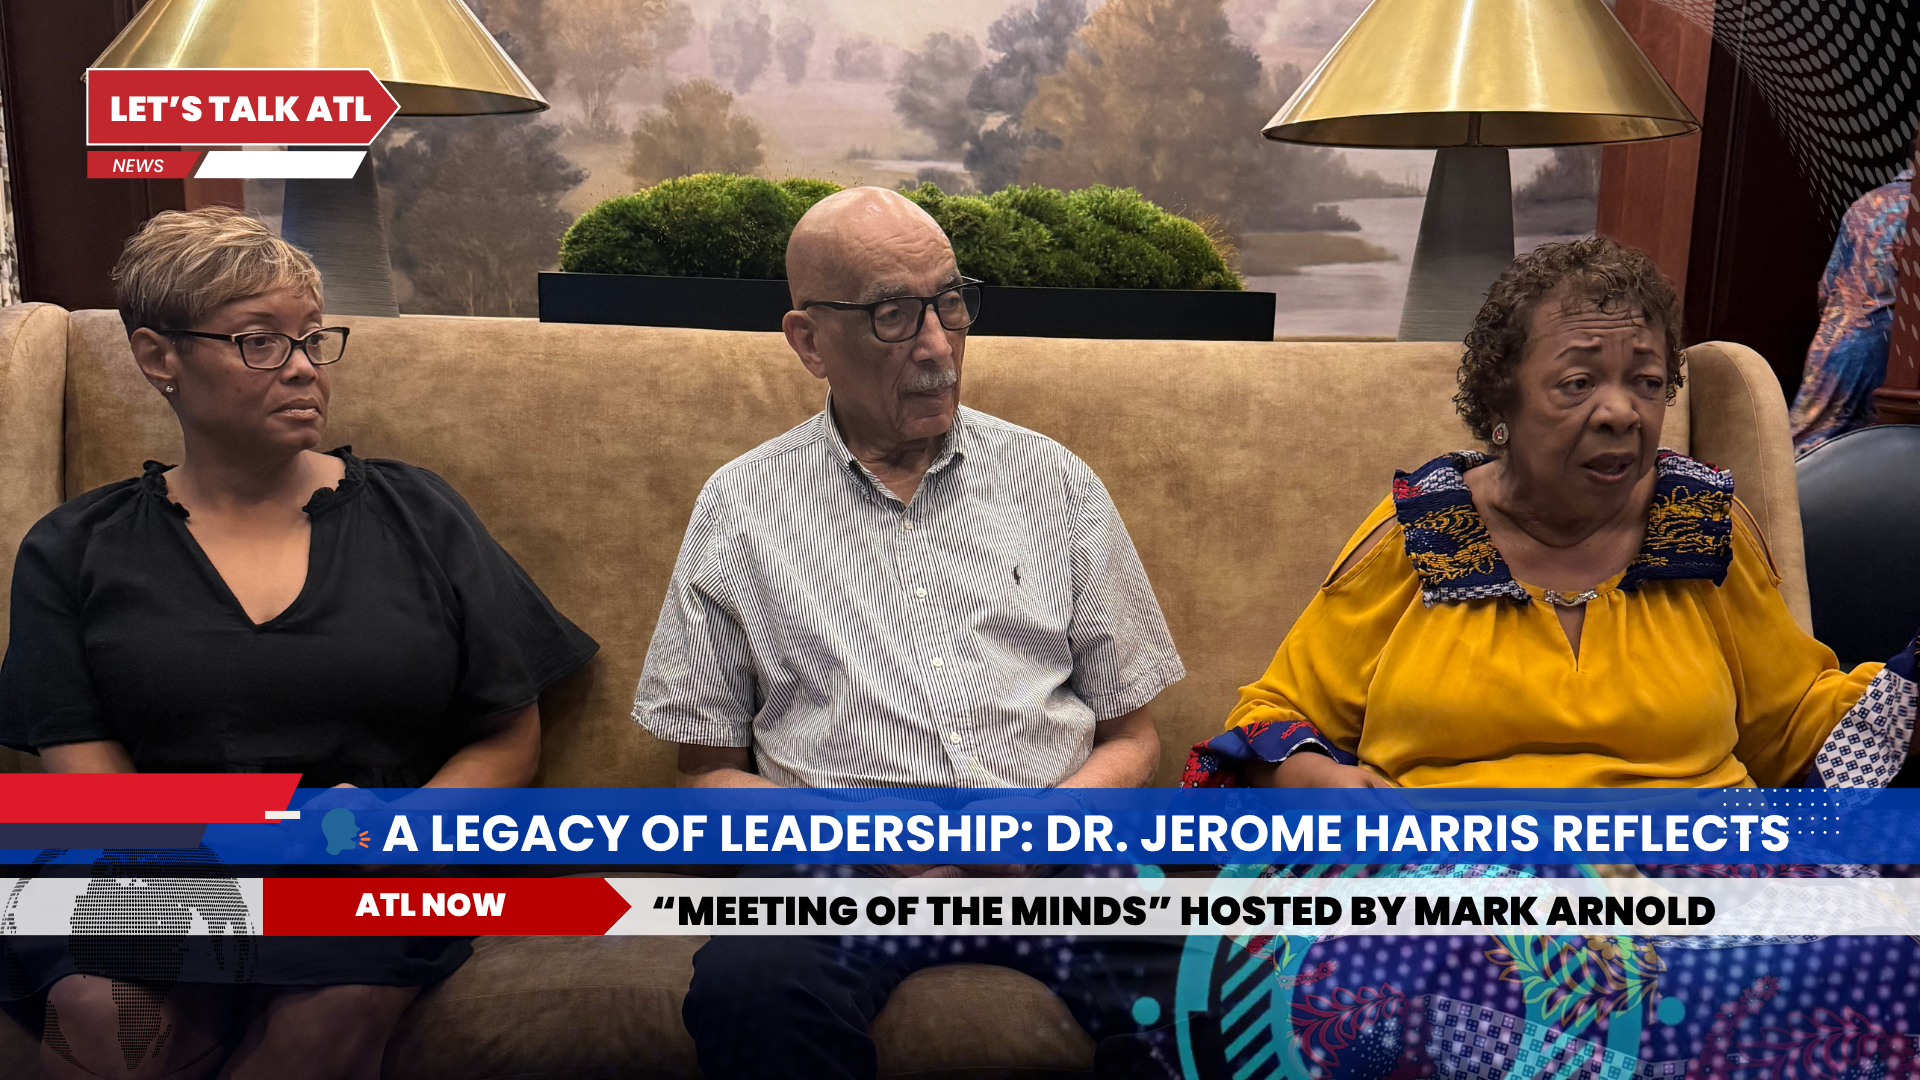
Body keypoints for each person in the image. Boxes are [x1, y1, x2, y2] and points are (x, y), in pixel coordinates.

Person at [0, 207, 598, 1079]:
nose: (304, 369)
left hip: (373, 869)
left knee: (331, 1010)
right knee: (100, 1011)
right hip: (157, 866)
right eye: (259, 343)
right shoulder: (75, 547)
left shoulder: (417, 513)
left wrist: (400, 831)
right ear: (158, 357)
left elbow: (508, 736)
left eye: (315, 340)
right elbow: (84, 775)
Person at [634, 187, 1191, 1079]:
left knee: (1206, 991)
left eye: (951, 302)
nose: (937, 345)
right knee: (754, 983)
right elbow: (706, 781)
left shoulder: (1056, 484)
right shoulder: (740, 508)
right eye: (892, 314)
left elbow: (1135, 737)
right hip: (838, 868)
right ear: (809, 341)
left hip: (1052, 858)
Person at [1187, 235, 1914, 793]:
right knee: (1130, 924)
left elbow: (1793, 724)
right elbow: (1275, 715)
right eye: (1577, 382)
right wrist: (1317, 781)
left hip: (1692, 905)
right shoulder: (1428, 533)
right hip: (1458, 910)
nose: (1621, 412)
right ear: (1502, 400)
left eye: (1648, 382)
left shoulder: (1698, 527)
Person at [1789, 167, 1913, 455]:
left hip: (1834, 340)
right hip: (1885, 346)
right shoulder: (1913, 210)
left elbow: (1827, 285)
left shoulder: (1867, 203)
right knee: (1861, 453)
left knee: (1803, 443)